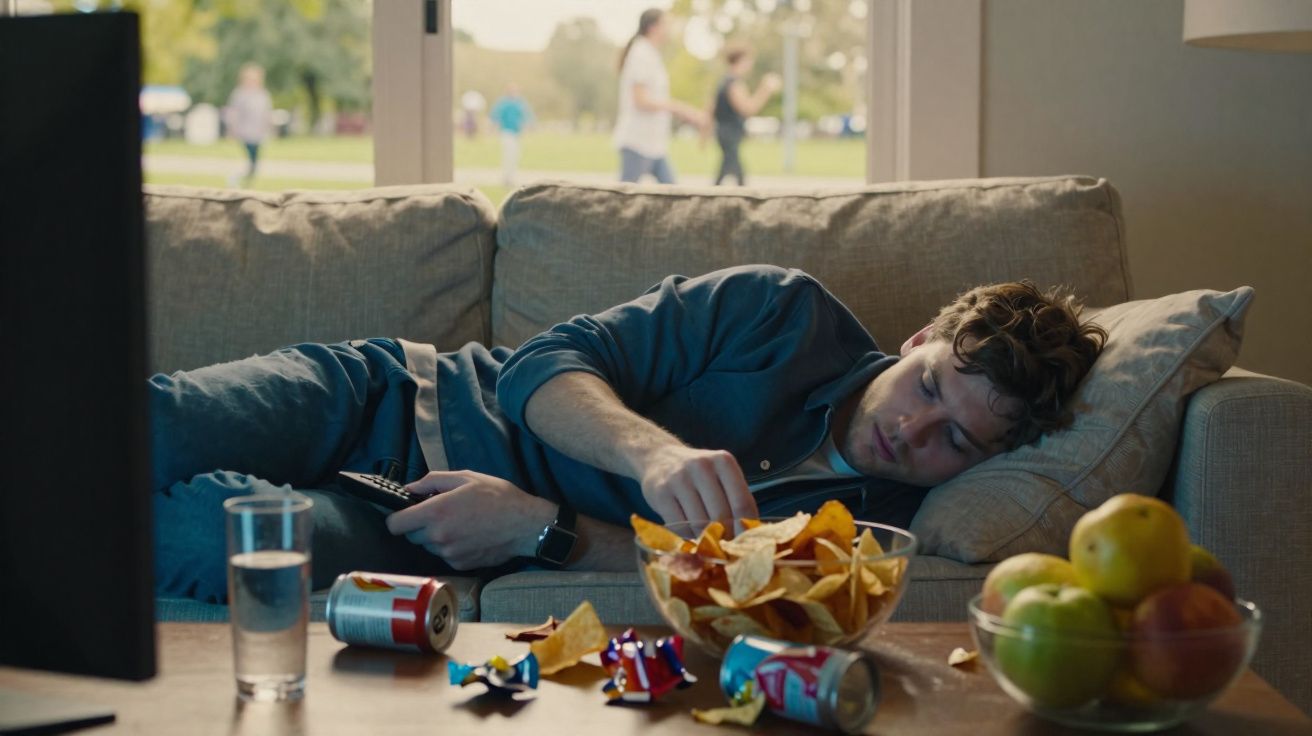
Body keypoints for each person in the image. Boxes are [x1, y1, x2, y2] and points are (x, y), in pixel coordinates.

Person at [151, 265, 1105, 602]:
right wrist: (655, 455)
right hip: (389, 395)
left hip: (424, 530)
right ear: (918, 339)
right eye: (927, 384)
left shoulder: (880, 531)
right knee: (145, 431)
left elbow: (722, 588)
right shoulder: (781, 313)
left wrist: (541, 531)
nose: (912, 429)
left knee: (211, 537)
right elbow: (544, 364)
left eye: (957, 441)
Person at [613, 8, 710, 184]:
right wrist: (680, 108)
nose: (670, 29)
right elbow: (640, 100)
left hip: (654, 145)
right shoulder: (640, 53)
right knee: (623, 201)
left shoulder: (650, 53)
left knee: (674, 195)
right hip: (637, 143)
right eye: (666, 24)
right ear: (654, 27)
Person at [712, 45, 781, 186]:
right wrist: (765, 89)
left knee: (727, 168)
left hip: (726, 132)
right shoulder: (734, 83)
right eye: (748, 61)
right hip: (729, 133)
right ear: (740, 61)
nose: (751, 64)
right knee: (735, 170)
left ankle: (712, 197)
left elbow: (711, 107)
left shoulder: (725, 81)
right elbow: (748, 109)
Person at [223, 63, 272, 186]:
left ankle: (245, 183)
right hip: (244, 133)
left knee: (254, 164)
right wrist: (232, 130)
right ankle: (235, 179)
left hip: (258, 134)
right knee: (248, 161)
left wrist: (268, 130)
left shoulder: (262, 94)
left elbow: (266, 113)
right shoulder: (240, 94)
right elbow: (233, 113)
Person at [489, 84, 533, 187]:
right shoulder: (504, 103)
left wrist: (527, 125)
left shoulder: (519, 103)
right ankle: (506, 178)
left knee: (515, 155)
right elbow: (495, 115)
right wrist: (493, 127)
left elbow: (527, 115)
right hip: (507, 132)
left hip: (517, 133)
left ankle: (511, 176)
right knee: (508, 155)